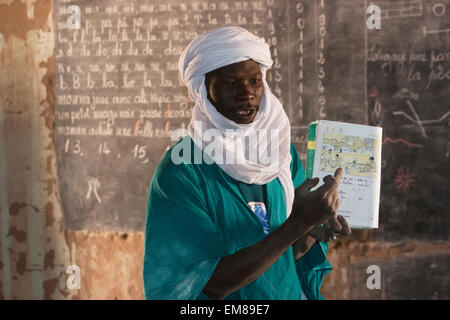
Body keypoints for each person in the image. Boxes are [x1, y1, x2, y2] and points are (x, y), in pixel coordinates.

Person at [142, 26, 351, 300]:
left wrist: (312, 232)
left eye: (254, 81)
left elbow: (284, 256)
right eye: (230, 83)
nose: (246, 94)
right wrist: (298, 224)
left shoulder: (279, 153)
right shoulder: (182, 172)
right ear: (203, 89)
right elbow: (209, 284)